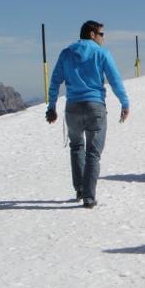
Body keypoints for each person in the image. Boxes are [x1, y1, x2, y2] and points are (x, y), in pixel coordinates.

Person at [46, 20, 129, 208]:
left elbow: (55, 81)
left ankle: (80, 190)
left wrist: (51, 107)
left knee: (76, 147)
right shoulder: (102, 53)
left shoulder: (66, 53)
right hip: (95, 106)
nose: (103, 38)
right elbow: (115, 80)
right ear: (92, 34)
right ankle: (89, 198)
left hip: (72, 107)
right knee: (93, 153)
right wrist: (124, 103)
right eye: (101, 34)